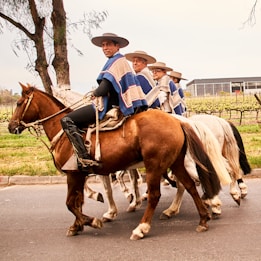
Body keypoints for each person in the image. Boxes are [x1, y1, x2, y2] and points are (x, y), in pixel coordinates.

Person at [60, 33, 148, 172]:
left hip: (106, 107)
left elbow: (104, 88)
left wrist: (94, 93)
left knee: (67, 120)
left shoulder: (116, 61)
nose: (105, 48)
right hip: (112, 104)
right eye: (103, 45)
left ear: (117, 46)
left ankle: (83, 158)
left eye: (108, 44)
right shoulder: (118, 61)